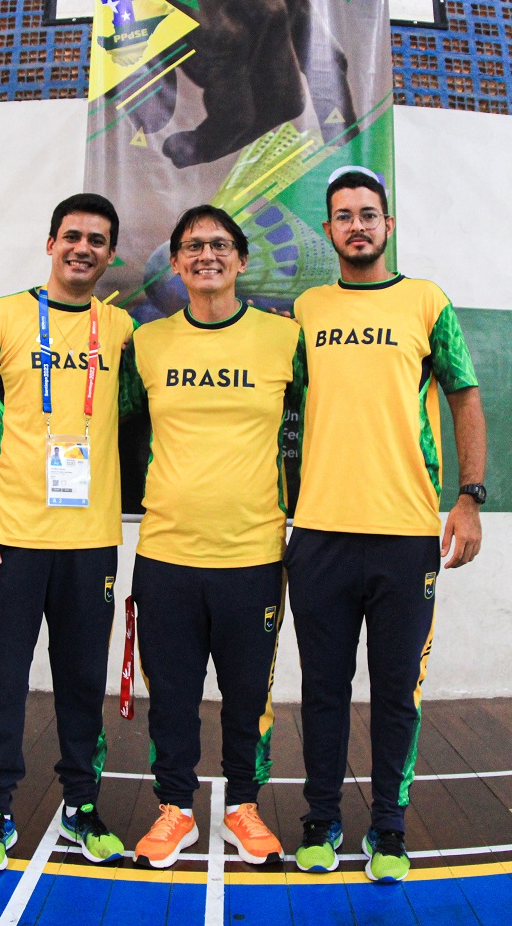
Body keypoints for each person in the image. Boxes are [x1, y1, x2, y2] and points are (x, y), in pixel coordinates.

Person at [288, 167, 488, 883]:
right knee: (322, 689)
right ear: (330, 230)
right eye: (343, 216)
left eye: (368, 214)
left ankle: (391, 830)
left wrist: (468, 498)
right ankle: (319, 821)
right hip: (317, 534)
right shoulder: (305, 309)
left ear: (388, 225)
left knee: (397, 689)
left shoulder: (427, 301)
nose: (357, 226)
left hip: (407, 534)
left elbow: (464, 397)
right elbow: (286, 415)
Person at [0, 193, 137, 872]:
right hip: (10, 538)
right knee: (0, 681)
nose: (83, 248)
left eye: (97, 240)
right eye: (72, 236)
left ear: (111, 255)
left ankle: (81, 808)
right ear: (51, 242)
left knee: (82, 682)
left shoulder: (122, 332)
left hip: (91, 544)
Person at [122, 205, 305, 869]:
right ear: (176, 262)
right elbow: (112, 434)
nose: (207, 254)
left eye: (220, 244)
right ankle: (174, 811)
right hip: (166, 554)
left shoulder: (284, 341)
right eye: (193, 245)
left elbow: (326, 425)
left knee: (247, 696)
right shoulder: (146, 344)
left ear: (241, 259)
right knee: (170, 695)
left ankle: (242, 808)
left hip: (254, 554)